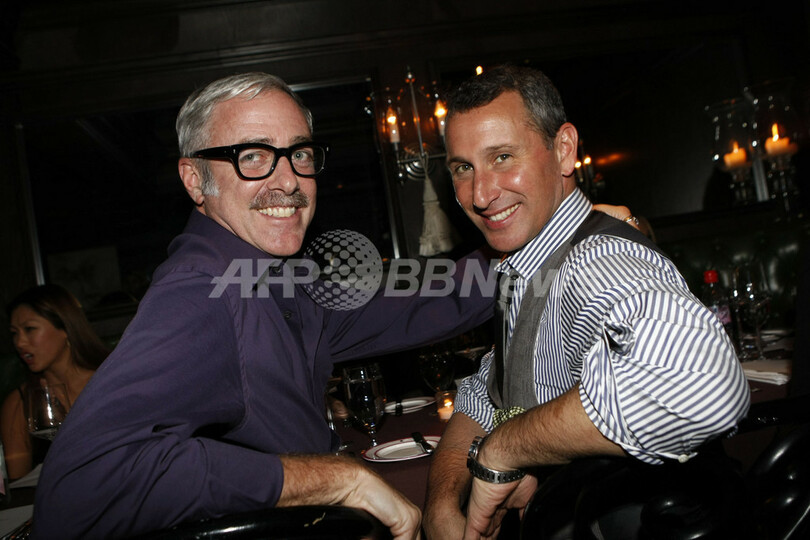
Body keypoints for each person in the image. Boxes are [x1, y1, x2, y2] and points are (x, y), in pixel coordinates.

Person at [31, 72, 497, 540]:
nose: (289, 180)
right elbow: (79, 489)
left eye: (300, 153)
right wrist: (336, 479)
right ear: (195, 180)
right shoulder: (201, 293)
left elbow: (427, 299)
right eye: (252, 155)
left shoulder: (272, 277)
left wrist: (525, 246)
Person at [422, 65, 751, 540]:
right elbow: (487, 392)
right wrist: (441, 502)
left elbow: (703, 387)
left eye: (502, 157)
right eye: (463, 168)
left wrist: (505, 448)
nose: (481, 194)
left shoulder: (595, 258)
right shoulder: (523, 266)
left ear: (563, 149)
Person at [2, 284, 108, 480]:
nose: (20, 342)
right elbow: (18, 484)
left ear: (66, 328)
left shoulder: (110, 382)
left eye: (30, 329)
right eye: (14, 333)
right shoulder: (20, 402)